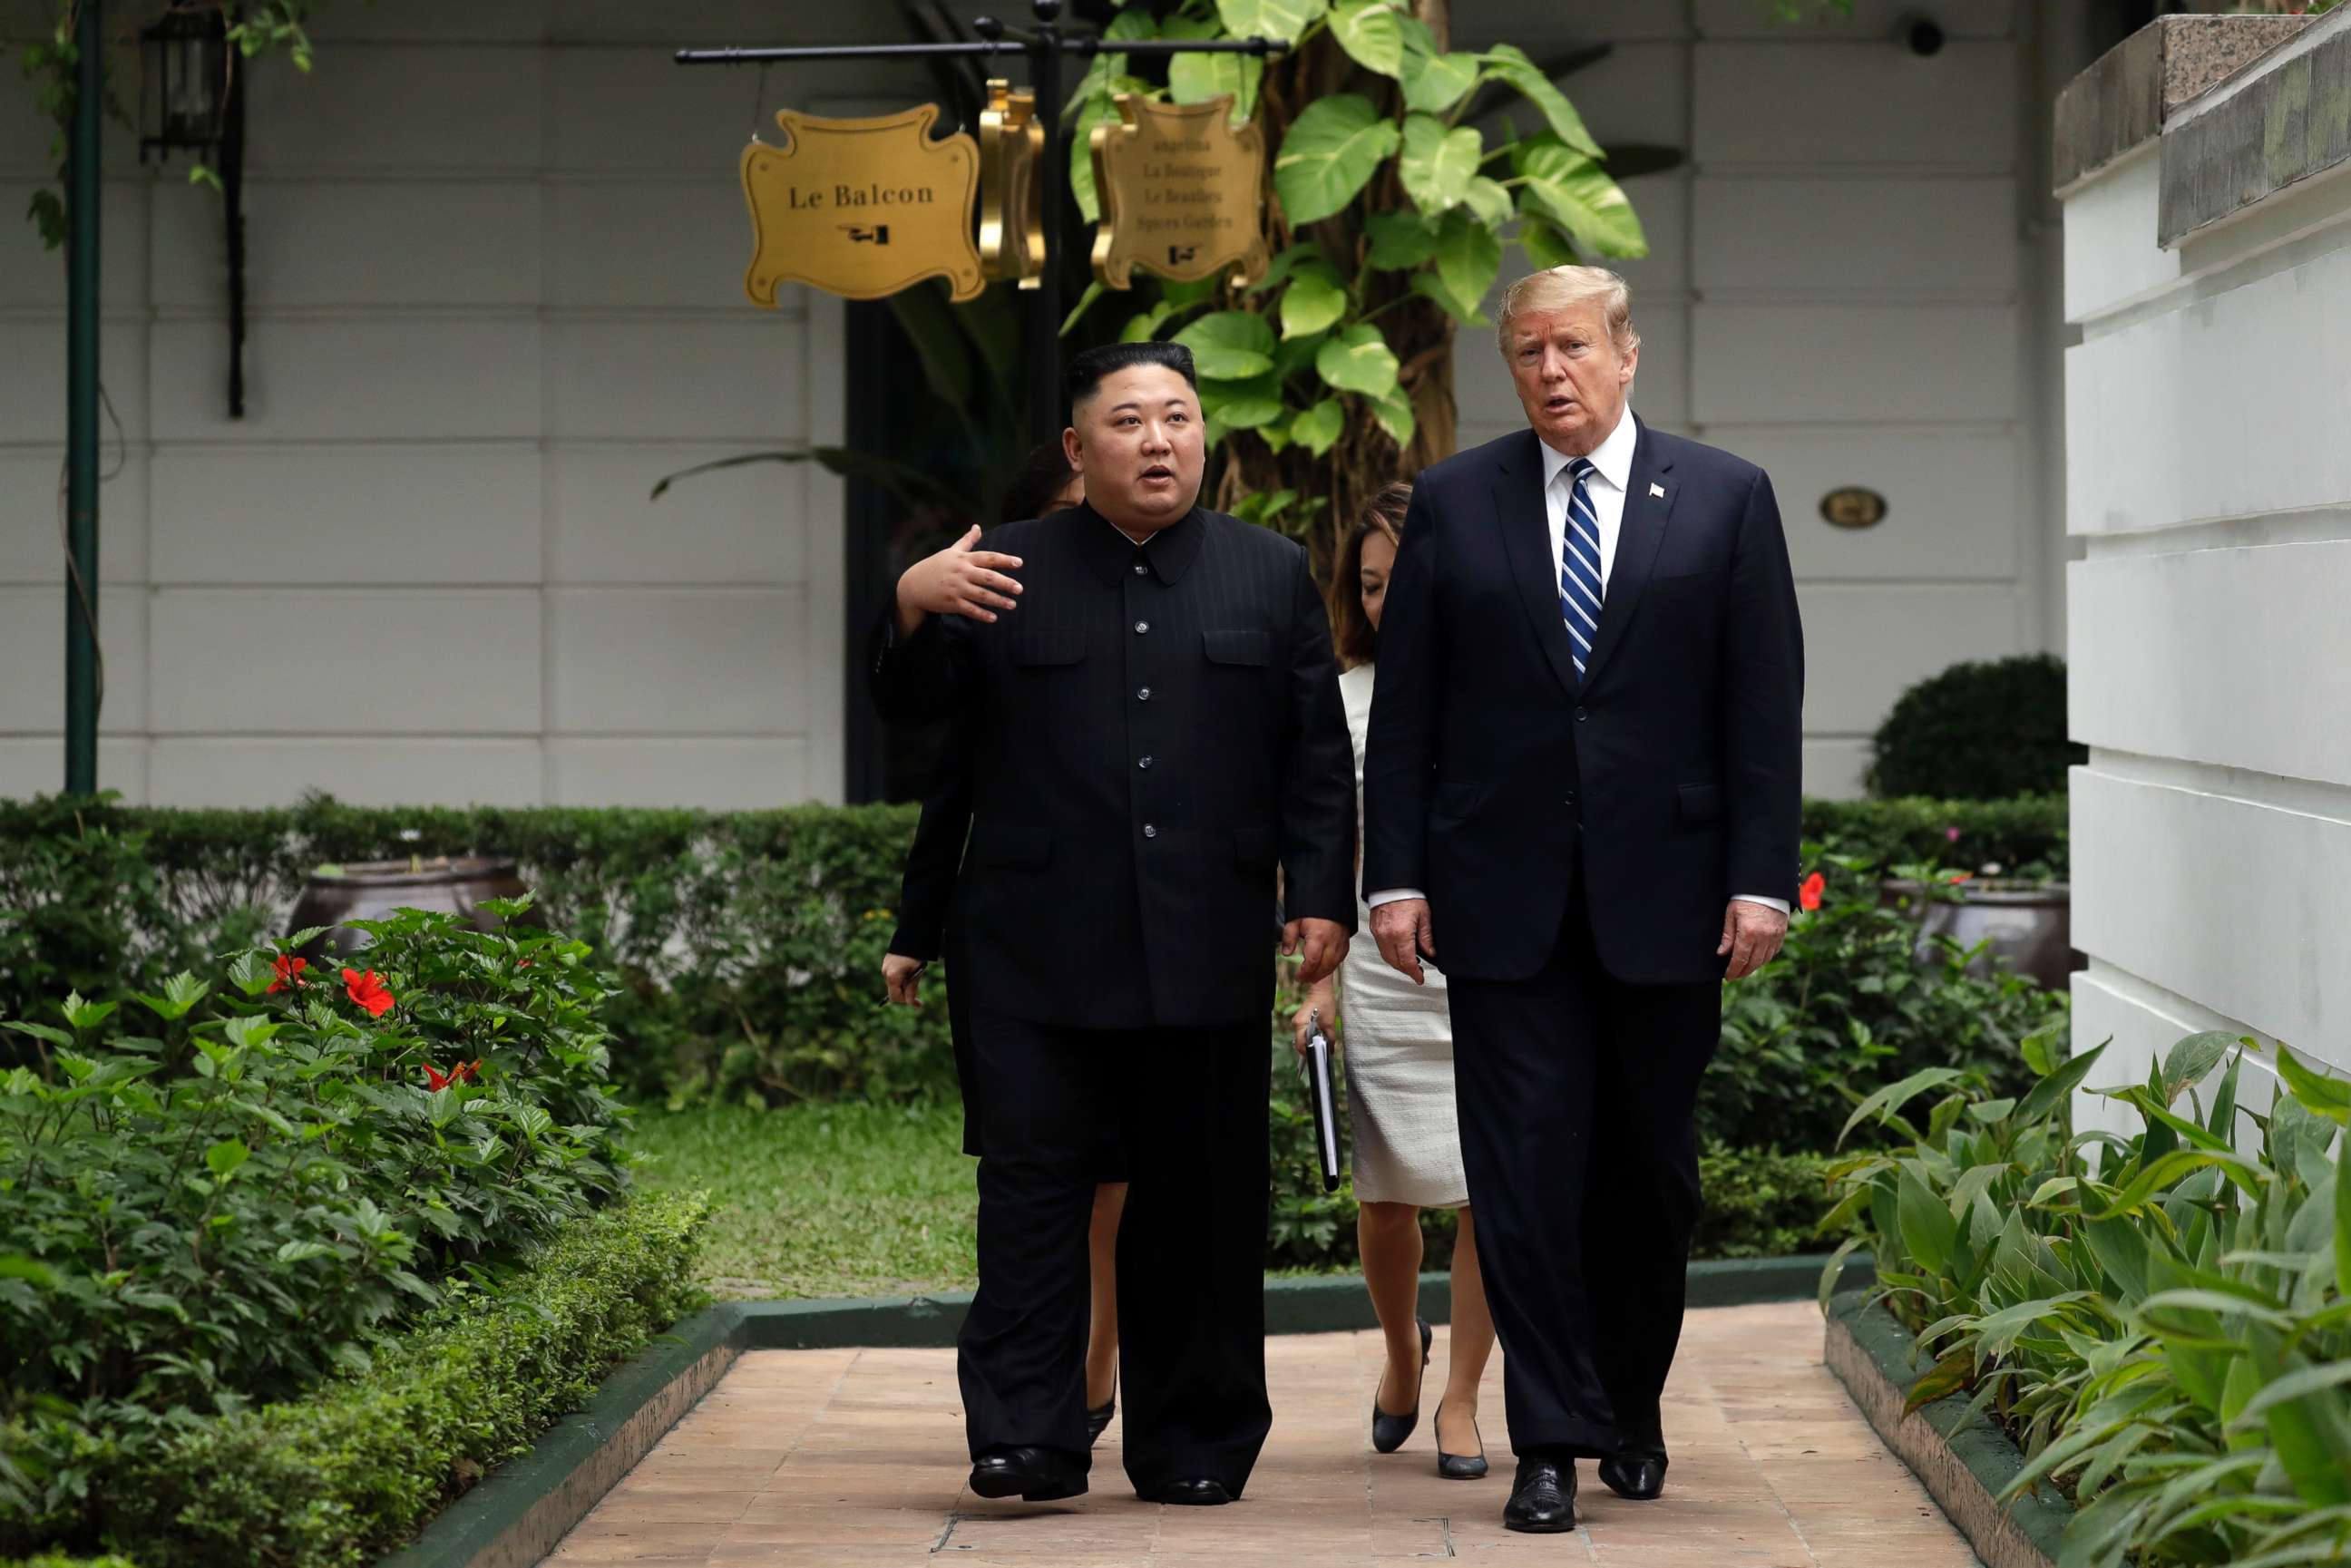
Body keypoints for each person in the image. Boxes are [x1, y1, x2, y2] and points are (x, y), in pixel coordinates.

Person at [869, 340, 1355, 1507]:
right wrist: (908, 608)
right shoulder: (1002, 568)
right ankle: (1028, 1437)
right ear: (1079, 452)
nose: (1158, 440)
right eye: (1129, 421)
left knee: (1199, 1199)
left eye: (1178, 417)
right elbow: (917, 726)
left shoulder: (1270, 571)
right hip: (1033, 951)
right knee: (1034, 1196)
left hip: (1205, 943)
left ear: (1205, 440)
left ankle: (1194, 1440)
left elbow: (1316, 761)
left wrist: (1324, 897)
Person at [1361, 265, 1804, 1534]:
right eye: (1525, 352)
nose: (1549, 371)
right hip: (1500, 899)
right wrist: (1396, 873)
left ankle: (1630, 1400)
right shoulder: (1455, 503)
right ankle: (1548, 1438)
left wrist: (1760, 878)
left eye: (1571, 347)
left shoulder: (1725, 500)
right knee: (1522, 1168)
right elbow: (1411, 715)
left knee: (1647, 1173)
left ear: (1626, 354)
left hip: (1669, 898)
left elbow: (1760, 711)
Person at [881, 442, 1127, 1446]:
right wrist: (910, 596)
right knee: (1037, 1169)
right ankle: (1042, 1390)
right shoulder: (991, 621)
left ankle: (1100, 1353)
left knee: (1123, 1170)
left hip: (1148, 941)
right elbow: (950, 782)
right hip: (1020, 949)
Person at [1292, 482, 1497, 1481]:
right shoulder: (1340, 696)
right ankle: (1400, 1354)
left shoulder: (1509, 686)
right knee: (1384, 1201)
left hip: (1492, 974)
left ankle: (1461, 1397)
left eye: (1402, 581)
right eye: (1369, 586)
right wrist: (1315, 986)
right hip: (1375, 975)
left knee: (1485, 1198)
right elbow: (1317, 856)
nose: (1384, 603)